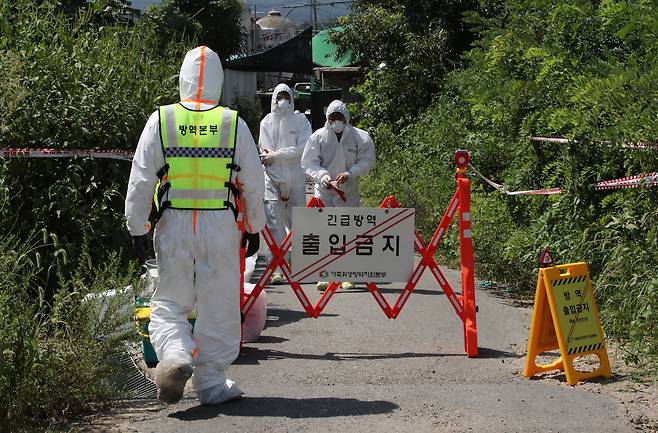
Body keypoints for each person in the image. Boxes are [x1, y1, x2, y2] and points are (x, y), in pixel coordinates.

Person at [125, 46, 265, 406]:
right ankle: (211, 384)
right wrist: (254, 227)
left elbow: (141, 177)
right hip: (219, 223)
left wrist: (137, 226)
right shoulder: (232, 123)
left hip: (173, 223)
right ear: (218, 81)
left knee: (171, 302)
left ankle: (174, 357)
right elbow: (252, 181)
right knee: (218, 304)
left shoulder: (163, 119)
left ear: (182, 79)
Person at [301, 99, 375, 291]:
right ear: (327, 118)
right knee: (325, 234)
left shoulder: (360, 137)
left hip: (348, 193)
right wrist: (323, 176)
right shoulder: (318, 137)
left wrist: (350, 173)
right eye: (332, 117)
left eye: (339, 117)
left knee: (348, 234)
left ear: (346, 118)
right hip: (324, 192)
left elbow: (367, 161)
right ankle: (324, 274)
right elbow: (308, 163)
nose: (336, 121)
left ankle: (347, 275)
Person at [259, 83, 312, 284]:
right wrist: (280, 183)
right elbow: (266, 158)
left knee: (298, 224)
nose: (283, 100)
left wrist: (278, 154)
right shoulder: (266, 123)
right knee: (275, 226)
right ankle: (277, 268)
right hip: (273, 183)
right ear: (273, 99)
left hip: (297, 182)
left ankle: (298, 264)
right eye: (279, 96)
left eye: (286, 96)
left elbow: (304, 149)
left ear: (291, 98)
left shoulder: (300, 121)